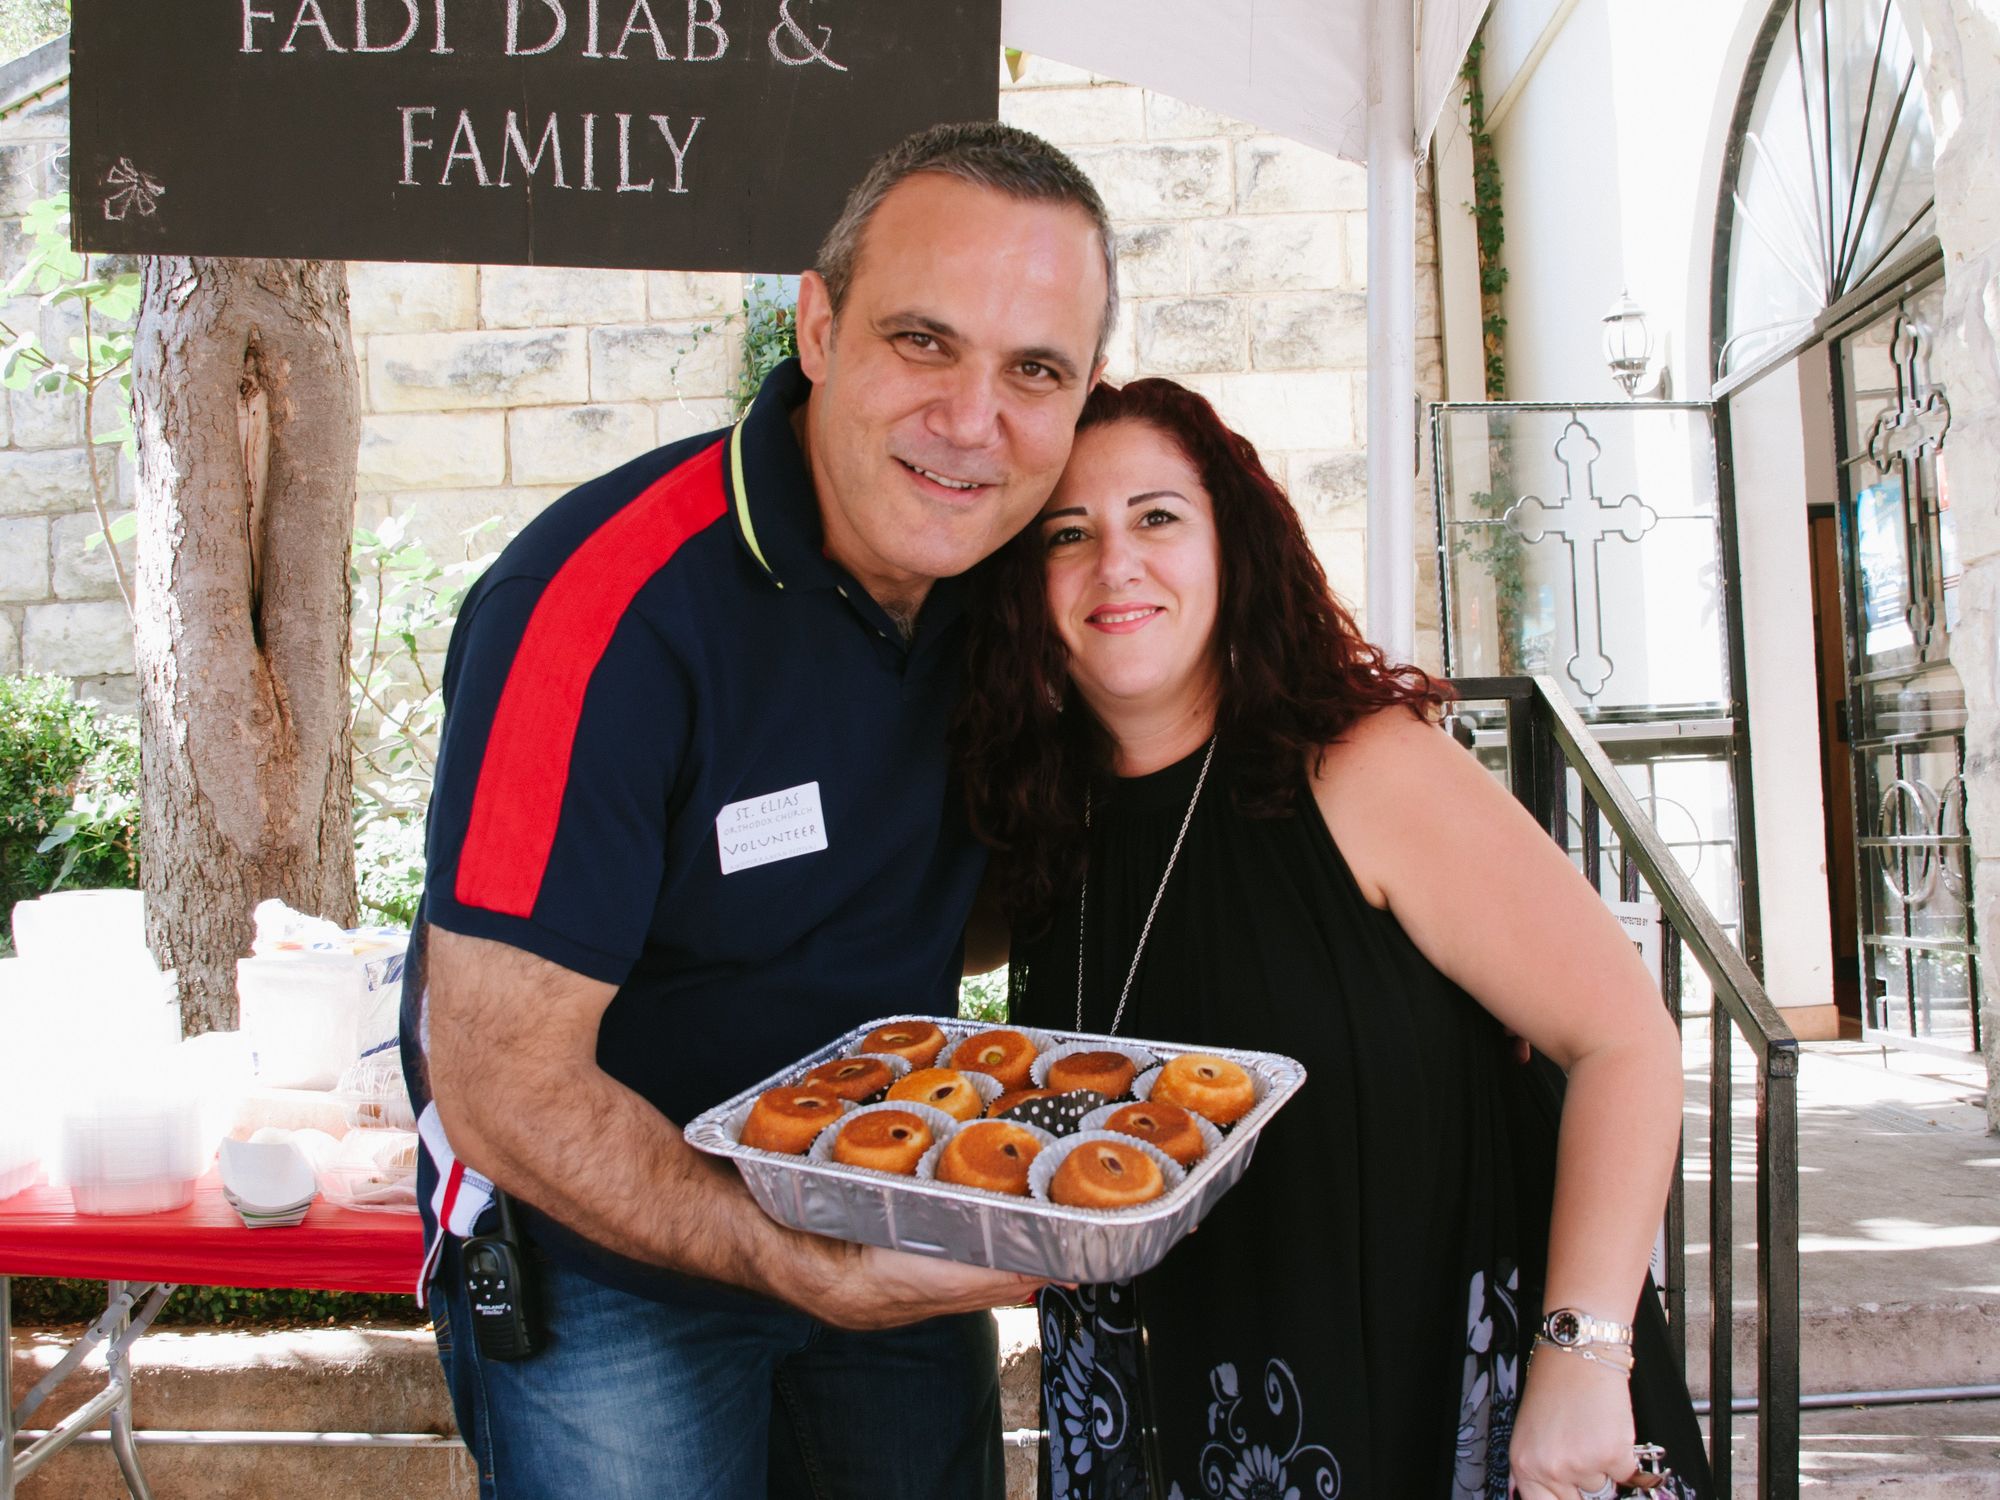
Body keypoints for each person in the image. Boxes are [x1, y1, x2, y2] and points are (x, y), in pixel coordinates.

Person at [397, 121, 1116, 1500]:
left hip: (884, 1201)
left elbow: (953, 907)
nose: (975, 422)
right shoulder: (595, 616)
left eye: (1036, 370)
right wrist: (779, 1249)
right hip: (598, 1244)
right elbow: (500, 1081)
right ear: (821, 326)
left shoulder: (1023, 586)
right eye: (925, 341)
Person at [957, 378, 1712, 1500]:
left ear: (1235, 545)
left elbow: (1622, 1043)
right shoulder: (1046, 824)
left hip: (1433, 1400)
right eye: (1067, 534)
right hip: (1176, 1417)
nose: (1115, 563)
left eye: (1157, 517)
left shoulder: (1358, 768)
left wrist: (1579, 1357)